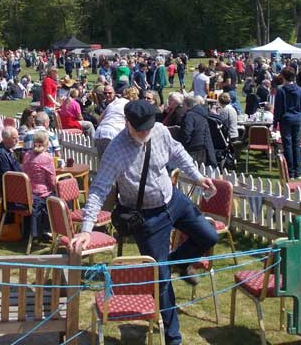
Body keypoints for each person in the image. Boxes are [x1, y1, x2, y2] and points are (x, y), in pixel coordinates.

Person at [71, 100, 218, 345]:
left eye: (148, 128)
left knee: (209, 236)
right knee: (161, 281)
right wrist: (87, 229)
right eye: (139, 129)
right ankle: (174, 337)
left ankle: (175, 264)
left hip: (174, 200)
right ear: (127, 123)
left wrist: (198, 177)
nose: (144, 133)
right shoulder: (116, 150)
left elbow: (179, 153)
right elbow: (98, 190)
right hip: (147, 218)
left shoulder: (159, 131)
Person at [273, 68, 301, 178]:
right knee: (296, 145)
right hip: (297, 118)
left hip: (286, 119)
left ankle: (291, 172)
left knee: (287, 145)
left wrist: (275, 124)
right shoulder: (300, 90)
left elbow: (278, 109)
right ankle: (298, 172)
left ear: (283, 77)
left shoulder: (281, 91)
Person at [22, 130, 55, 241]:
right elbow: (52, 181)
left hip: (26, 192)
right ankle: (50, 230)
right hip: (41, 194)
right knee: (61, 199)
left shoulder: (27, 155)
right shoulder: (47, 158)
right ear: (47, 143)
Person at [94, 87, 130, 159]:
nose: (107, 95)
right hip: (112, 133)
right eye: (105, 93)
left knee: (103, 162)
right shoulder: (129, 104)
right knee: (115, 161)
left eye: (110, 93)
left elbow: (98, 120)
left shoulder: (112, 104)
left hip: (99, 133)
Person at [180, 96, 216, 166]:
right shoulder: (202, 114)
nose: (182, 108)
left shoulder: (189, 115)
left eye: (183, 105)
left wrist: (183, 146)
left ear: (187, 105)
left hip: (193, 148)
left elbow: (186, 133)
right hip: (204, 147)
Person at [0, 126, 22, 193]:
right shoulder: (0, 155)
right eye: (14, 138)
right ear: (5, 139)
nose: (17, 141)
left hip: (18, 183)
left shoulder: (8, 150)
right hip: (11, 190)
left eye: (17, 138)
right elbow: (7, 177)